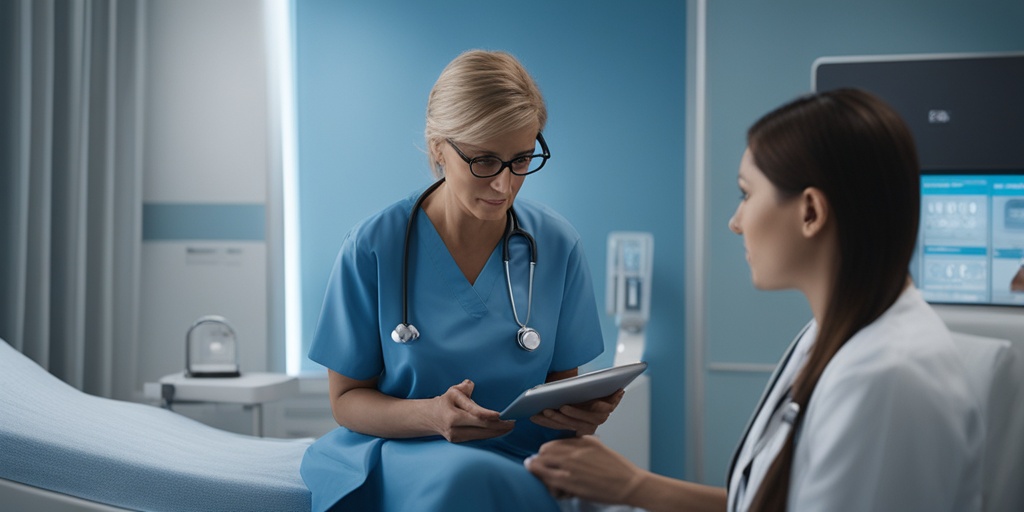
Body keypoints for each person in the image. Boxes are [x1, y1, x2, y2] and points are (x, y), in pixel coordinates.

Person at [526, 88, 983, 511]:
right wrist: (633, 487)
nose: (736, 221)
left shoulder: (886, 380)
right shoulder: (830, 336)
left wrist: (633, 489)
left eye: (746, 194)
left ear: (810, 212)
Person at [300, 49, 622, 512]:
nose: (504, 185)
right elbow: (347, 400)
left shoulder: (556, 244)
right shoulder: (374, 246)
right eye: (484, 161)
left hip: (527, 458)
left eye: (522, 159)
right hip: (408, 453)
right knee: (468, 478)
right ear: (438, 149)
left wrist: (580, 416)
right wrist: (431, 416)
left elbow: (558, 397)